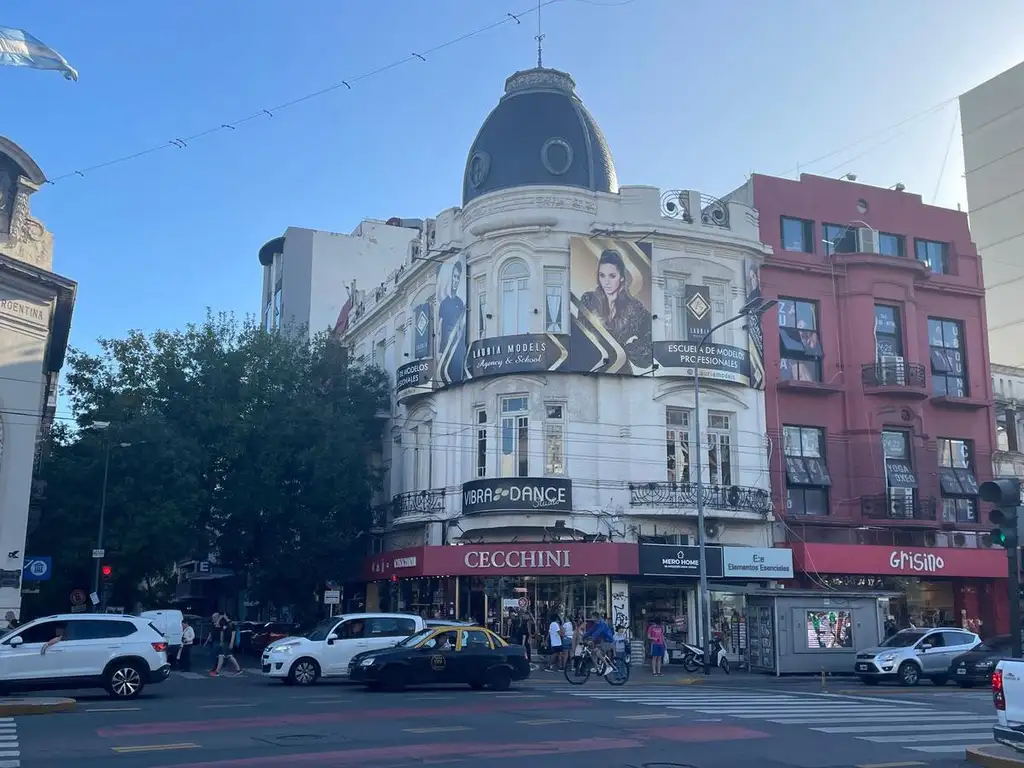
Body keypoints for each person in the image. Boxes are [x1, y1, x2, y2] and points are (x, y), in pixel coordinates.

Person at [578, 249, 652, 370]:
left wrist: (629, 349)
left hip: (621, 372)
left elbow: (649, 349)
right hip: (592, 369)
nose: (606, 282)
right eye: (602, 275)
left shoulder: (634, 307)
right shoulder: (588, 300)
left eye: (612, 276)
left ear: (622, 277)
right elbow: (581, 340)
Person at [436, 258, 466, 382]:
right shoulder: (444, 304)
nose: (455, 280)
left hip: (457, 351)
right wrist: (439, 352)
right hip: (445, 351)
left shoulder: (460, 303)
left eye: (458, 277)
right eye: (454, 276)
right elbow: (439, 329)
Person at [210, 612, 243, 677]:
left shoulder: (231, 624)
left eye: (224, 615)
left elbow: (233, 634)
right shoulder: (224, 623)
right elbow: (219, 628)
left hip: (227, 642)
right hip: (225, 641)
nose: (222, 616)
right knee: (230, 656)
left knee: (221, 655)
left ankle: (217, 672)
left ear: (226, 616)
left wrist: (231, 643)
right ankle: (238, 669)